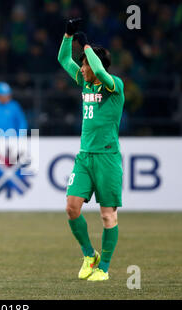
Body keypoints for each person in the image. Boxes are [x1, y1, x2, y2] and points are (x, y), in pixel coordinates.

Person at [57, 18, 125, 281]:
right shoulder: (85, 83)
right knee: (72, 207)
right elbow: (64, 59)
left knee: (108, 216)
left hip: (107, 158)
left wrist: (85, 46)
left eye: (84, 64)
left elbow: (96, 64)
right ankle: (89, 254)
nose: (81, 69)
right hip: (84, 157)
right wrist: (68, 35)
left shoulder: (114, 85)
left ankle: (104, 268)